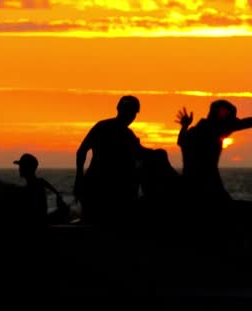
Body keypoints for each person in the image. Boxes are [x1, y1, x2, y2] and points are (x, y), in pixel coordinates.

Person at [74, 95, 152, 224]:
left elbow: (142, 154)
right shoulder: (104, 128)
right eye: (129, 112)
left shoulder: (127, 135)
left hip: (112, 189)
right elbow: (81, 151)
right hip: (102, 189)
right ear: (119, 109)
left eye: (133, 113)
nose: (131, 116)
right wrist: (79, 178)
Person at [176, 100, 252, 205]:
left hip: (190, 184)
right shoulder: (214, 130)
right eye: (228, 116)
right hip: (207, 186)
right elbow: (243, 123)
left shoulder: (195, 130)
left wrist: (184, 126)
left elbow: (181, 141)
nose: (232, 122)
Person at [13, 153, 69, 225]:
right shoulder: (39, 182)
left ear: (27, 168)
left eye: (21, 166)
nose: (19, 169)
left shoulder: (32, 187)